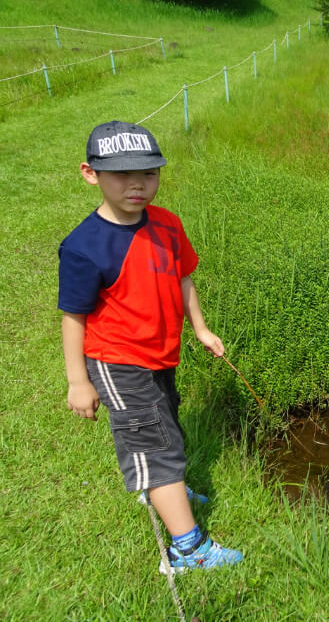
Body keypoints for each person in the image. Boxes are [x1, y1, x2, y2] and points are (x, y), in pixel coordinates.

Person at [58, 120, 243, 574]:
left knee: (166, 425)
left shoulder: (167, 223)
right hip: (119, 361)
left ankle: (166, 489)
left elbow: (183, 277)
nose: (137, 184)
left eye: (149, 173)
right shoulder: (85, 247)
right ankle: (186, 548)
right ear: (90, 174)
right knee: (155, 446)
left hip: (162, 353)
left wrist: (200, 328)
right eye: (121, 174)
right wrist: (78, 381)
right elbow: (73, 317)